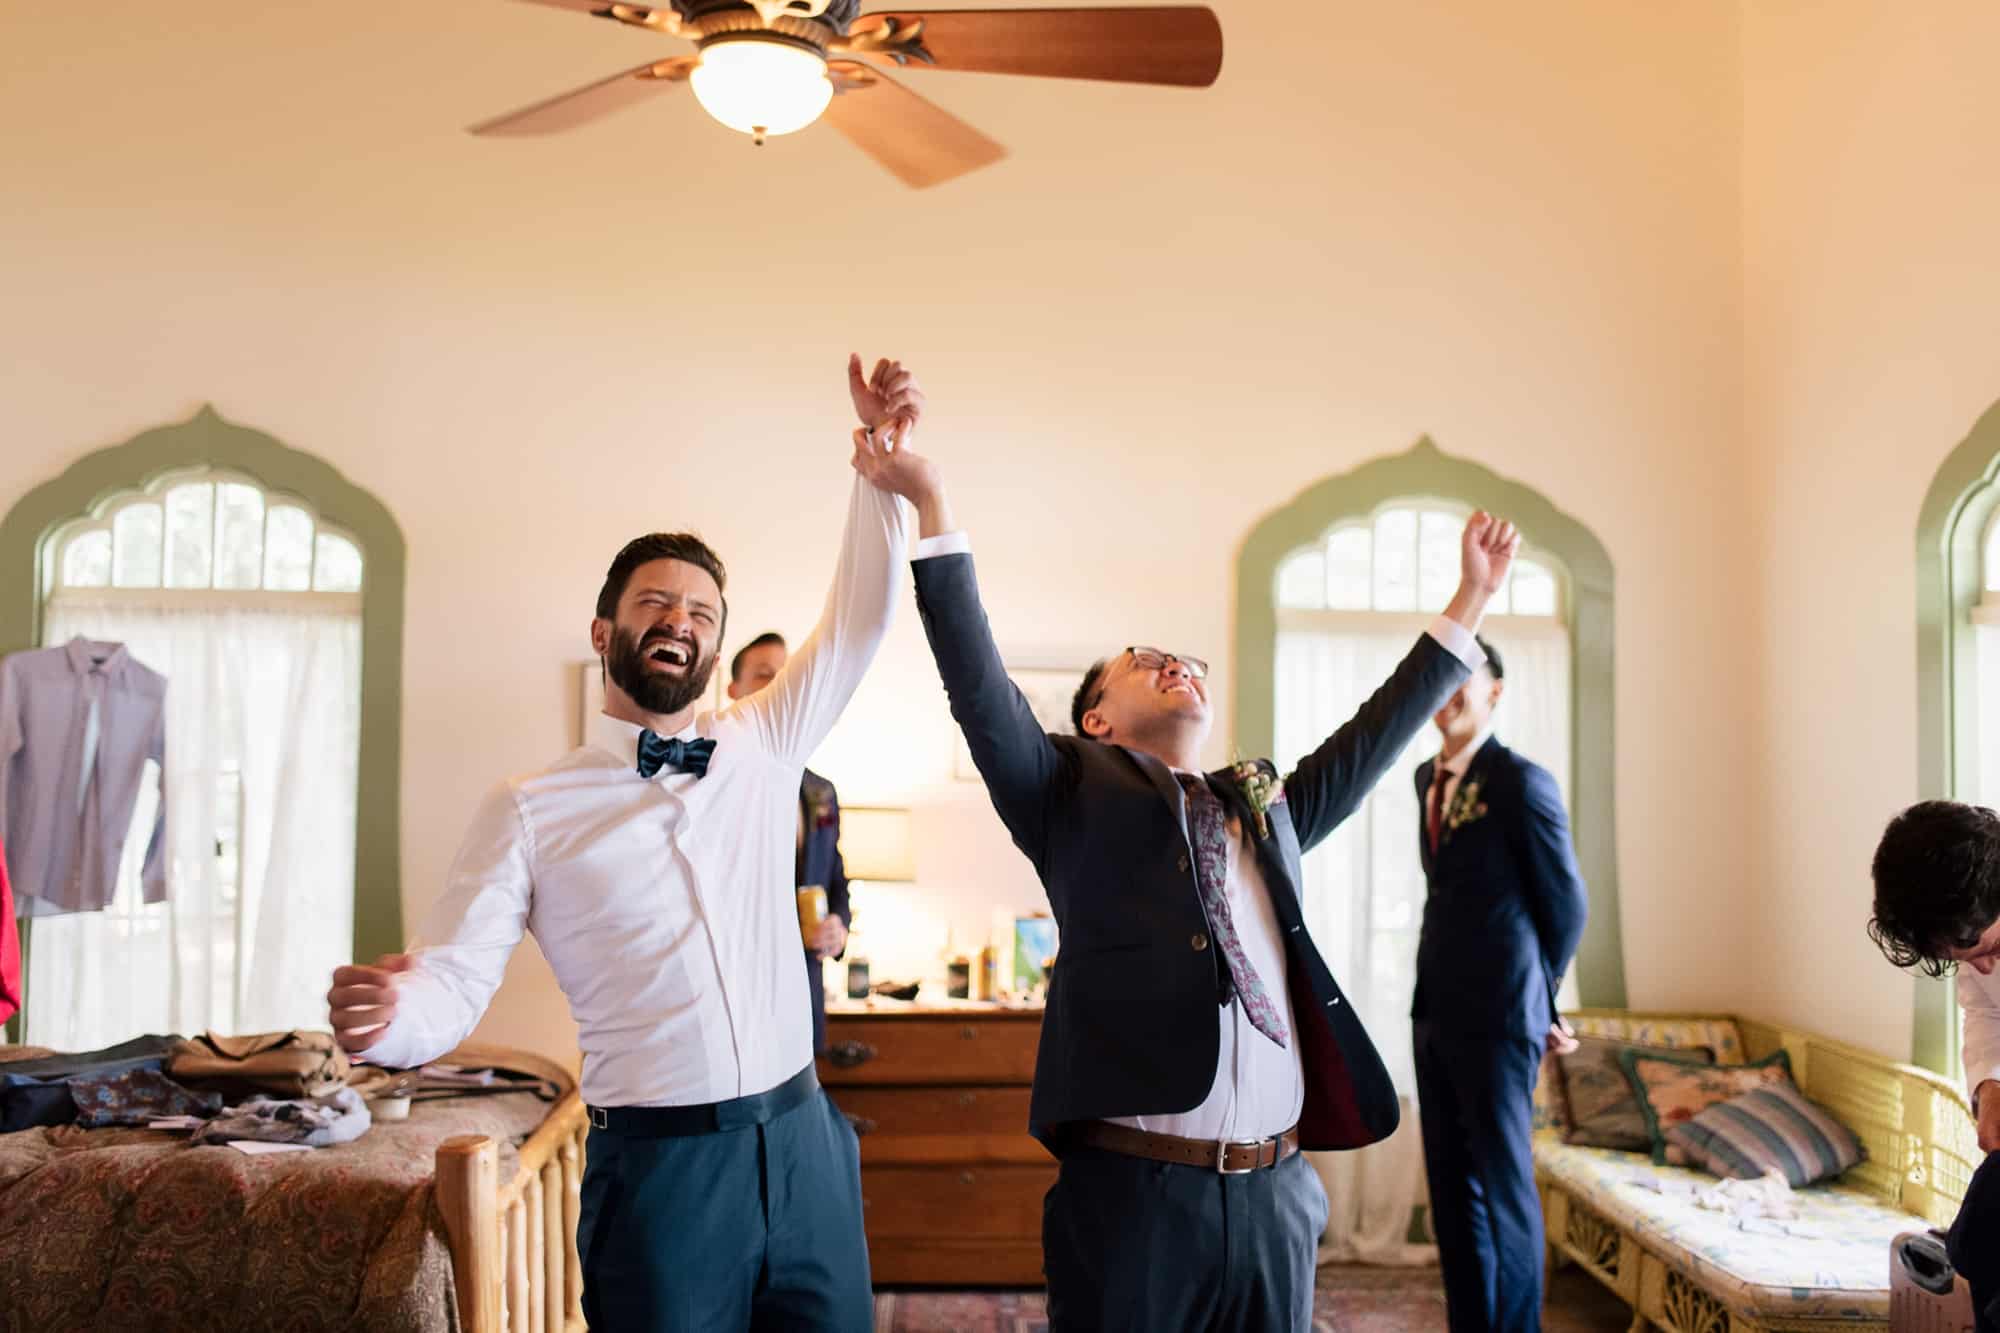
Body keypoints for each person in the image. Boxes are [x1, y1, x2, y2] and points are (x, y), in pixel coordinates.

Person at [324, 355, 929, 1333]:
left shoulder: (763, 744)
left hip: (806, 1140)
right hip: (660, 1174)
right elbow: (452, 976)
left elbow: (860, 620)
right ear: (605, 628)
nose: (677, 621)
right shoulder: (527, 807)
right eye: (654, 603)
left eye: (698, 611)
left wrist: (878, 472)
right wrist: (390, 1021)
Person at [882, 430, 1518, 1331]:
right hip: (1137, 1199)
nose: (1175, 662)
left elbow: (1373, 737)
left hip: (1278, 1197)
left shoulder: (1265, 811)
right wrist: (931, 501)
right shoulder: (1065, 790)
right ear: (1095, 718)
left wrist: (1473, 598)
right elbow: (977, 680)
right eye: (1144, 659)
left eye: (1189, 662)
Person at [1411, 634, 1588, 1333]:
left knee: (1504, 1190)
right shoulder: (1425, 778)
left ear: (1495, 692)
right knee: (1452, 1192)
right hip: (1433, 1010)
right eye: (1440, 676)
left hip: (1499, 1016)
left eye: (1465, 676)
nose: (1449, 689)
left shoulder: (1521, 780)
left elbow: (1566, 904)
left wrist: (1540, 999)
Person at [1868, 800, 2000, 1328]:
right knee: (1974, 1246)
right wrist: (1989, 1083)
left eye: (1989, 947)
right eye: (1963, 960)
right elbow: (1984, 1008)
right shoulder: (1973, 935)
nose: (1984, 967)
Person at [727, 631, 851, 1053]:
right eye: (764, 676)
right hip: (735, 1002)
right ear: (734, 692)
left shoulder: (821, 791)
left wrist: (839, 927)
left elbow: (835, 877)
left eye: (786, 676)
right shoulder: (712, 784)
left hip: (803, 998)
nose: (779, 686)